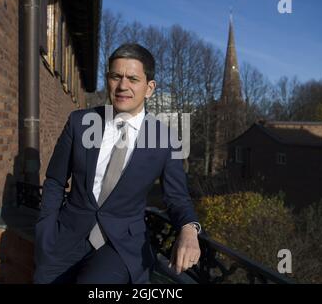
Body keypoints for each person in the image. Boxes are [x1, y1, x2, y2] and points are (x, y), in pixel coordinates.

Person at [34, 43, 201, 284]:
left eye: (133, 79)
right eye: (116, 76)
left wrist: (188, 228)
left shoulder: (166, 139)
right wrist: (45, 229)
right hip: (64, 239)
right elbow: (55, 180)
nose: (123, 86)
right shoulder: (80, 122)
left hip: (120, 246)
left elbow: (177, 198)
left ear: (149, 88)